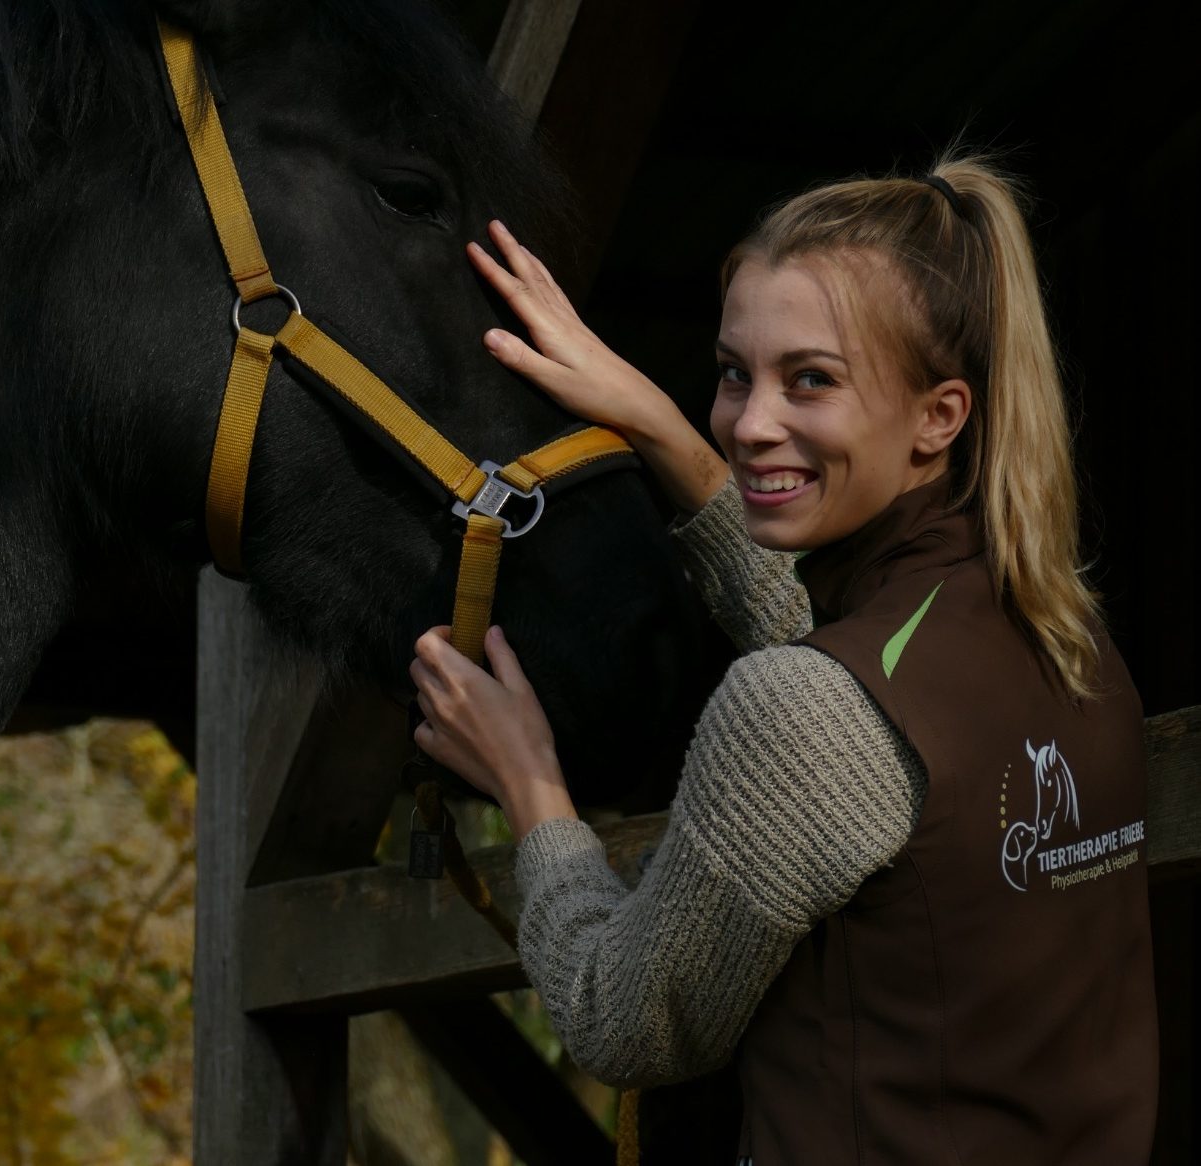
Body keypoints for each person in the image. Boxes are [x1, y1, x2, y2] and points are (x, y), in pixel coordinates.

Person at [409, 156, 1158, 1163]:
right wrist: (661, 426)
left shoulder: (810, 708)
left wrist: (529, 782)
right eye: (732, 373)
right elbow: (840, 711)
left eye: (810, 379)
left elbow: (621, 1018)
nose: (751, 421)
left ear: (940, 415)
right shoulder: (1063, 633)